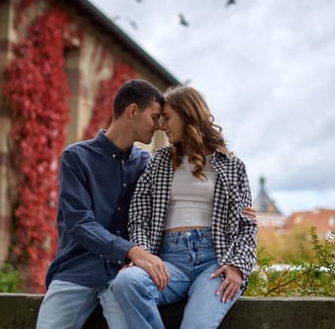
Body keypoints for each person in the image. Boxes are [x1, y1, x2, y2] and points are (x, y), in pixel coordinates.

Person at [111, 85, 259, 329]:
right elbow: (139, 216)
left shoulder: (232, 166)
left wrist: (237, 267)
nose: (161, 126)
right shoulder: (158, 162)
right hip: (169, 261)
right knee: (126, 282)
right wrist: (145, 256)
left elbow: (247, 224)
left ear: (188, 114)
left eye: (166, 118)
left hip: (216, 262)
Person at [36, 79, 171, 329]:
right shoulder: (76, 158)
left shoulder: (147, 163)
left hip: (123, 277)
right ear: (132, 111)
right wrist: (133, 251)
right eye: (154, 117)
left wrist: (236, 212)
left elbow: (176, 203)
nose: (159, 127)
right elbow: (79, 223)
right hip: (76, 271)